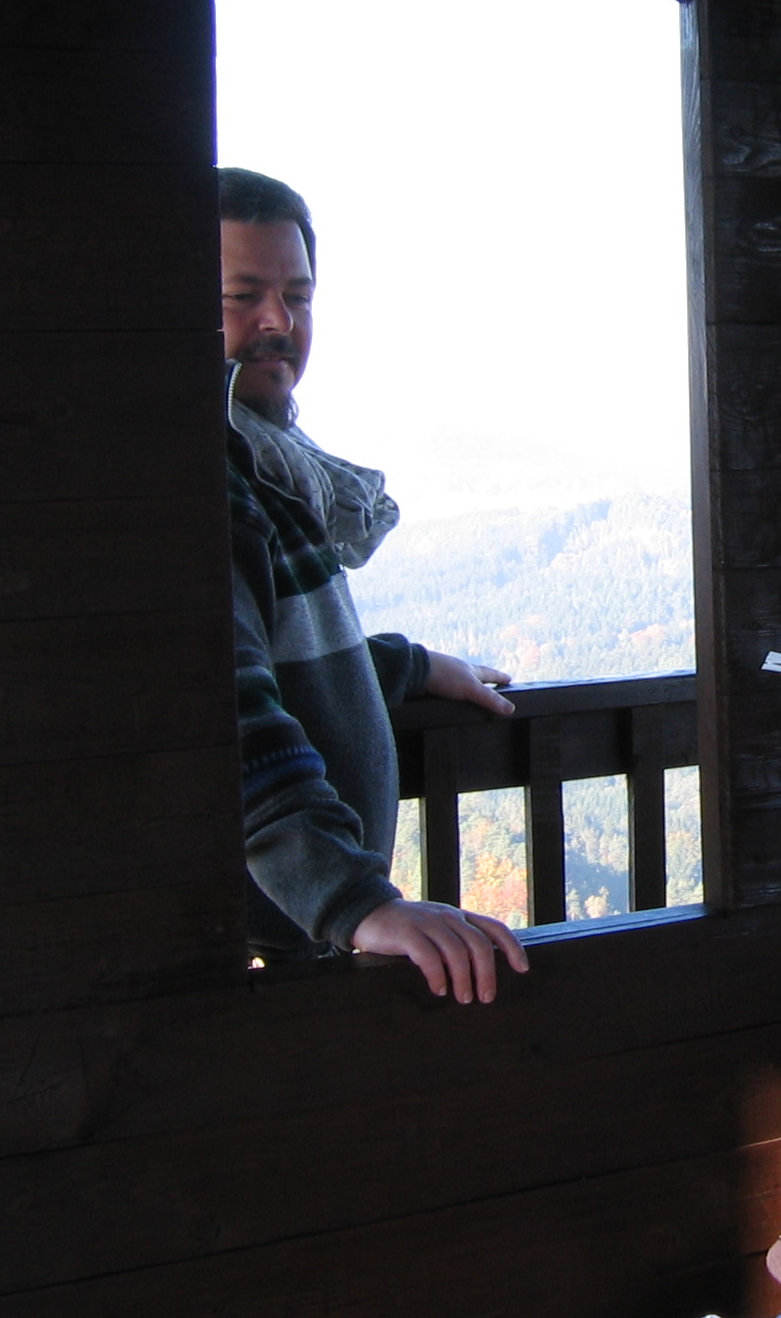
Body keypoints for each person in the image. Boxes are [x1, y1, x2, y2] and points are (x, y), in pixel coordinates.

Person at [221, 166, 528, 1005]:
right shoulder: (200, 481)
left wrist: (407, 666)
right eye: (241, 296)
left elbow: (280, 649)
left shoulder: (261, 467)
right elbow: (226, 708)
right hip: (250, 966)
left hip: (291, 947)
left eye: (298, 296)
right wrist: (355, 901)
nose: (279, 322)